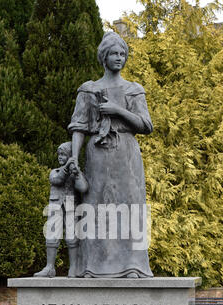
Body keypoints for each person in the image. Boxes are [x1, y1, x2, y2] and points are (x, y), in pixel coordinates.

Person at [67, 32, 154, 278]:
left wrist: (117, 110)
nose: (119, 58)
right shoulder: (88, 90)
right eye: (114, 54)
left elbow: (146, 125)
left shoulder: (134, 89)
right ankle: (92, 267)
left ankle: (133, 266)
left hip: (126, 156)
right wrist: (74, 161)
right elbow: (78, 127)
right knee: (96, 208)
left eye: (122, 54)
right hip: (98, 156)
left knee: (130, 208)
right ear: (104, 57)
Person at [34, 142, 88, 278]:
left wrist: (77, 173)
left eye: (63, 154)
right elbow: (56, 180)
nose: (60, 157)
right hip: (55, 206)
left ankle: (74, 267)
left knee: (72, 237)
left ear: (70, 156)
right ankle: (49, 267)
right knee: (51, 236)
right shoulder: (56, 171)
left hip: (71, 206)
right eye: (59, 154)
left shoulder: (76, 173)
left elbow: (83, 188)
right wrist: (66, 168)